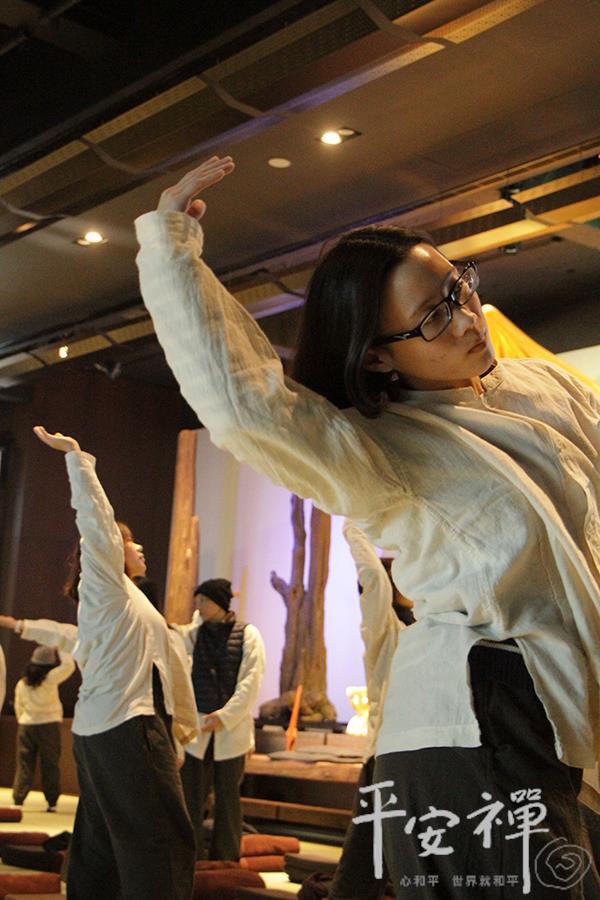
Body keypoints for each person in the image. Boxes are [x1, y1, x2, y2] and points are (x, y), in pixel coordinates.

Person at [134, 156, 600, 898]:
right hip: (475, 719)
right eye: (435, 316)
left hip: (554, 715)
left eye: (459, 288)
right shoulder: (381, 448)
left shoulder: (540, 388)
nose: (468, 318)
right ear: (379, 356)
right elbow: (248, 408)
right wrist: (170, 251)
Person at [29, 426, 197, 900]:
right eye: (130, 542)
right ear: (110, 554)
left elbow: (167, 666)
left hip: (107, 730)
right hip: (126, 728)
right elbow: (97, 524)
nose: (139, 547)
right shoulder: (107, 587)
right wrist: (78, 460)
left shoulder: (127, 604)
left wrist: (178, 731)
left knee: (101, 845)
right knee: (161, 843)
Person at [329, 520, 406, 900]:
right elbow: (372, 576)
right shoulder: (386, 630)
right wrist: (353, 523)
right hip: (387, 754)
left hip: (420, 755)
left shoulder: (435, 629)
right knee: (365, 852)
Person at [172, 578, 265, 860]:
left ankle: (226, 859)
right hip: (197, 729)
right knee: (191, 797)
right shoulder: (192, 635)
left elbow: (251, 681)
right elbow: (181, 676)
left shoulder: (248, 635)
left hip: (231, 731)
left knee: (228, 799)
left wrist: (225, 716)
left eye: (204, 600)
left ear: (219, 603)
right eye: (197, 600)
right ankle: (189, 857)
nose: (198, 605)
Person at [11, 644, 75, 811]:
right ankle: (52, 802)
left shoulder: (22, 683)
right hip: (49, 725)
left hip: (26, 725)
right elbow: (69, 666)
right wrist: (62, 646)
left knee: (24, 764)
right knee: (50, 764)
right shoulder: (51, 679)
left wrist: (23, 720)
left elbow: (18, 705)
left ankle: (18, 800)